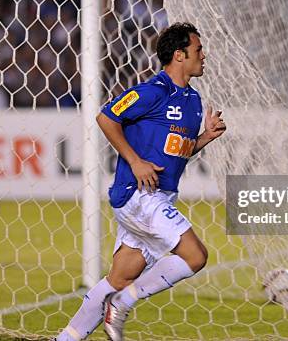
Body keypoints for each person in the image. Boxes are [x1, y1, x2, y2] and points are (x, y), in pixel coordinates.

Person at [55, 22, 226, 341]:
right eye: (198, 50)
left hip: (158, 199)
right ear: (179, 55)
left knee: (118, 278)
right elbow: (106, 116)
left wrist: (204, 138)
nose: (204, 55)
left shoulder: (192, 100)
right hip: (139, 196)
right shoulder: (152, 91)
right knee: (195, 256)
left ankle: (66, 338)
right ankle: (123, 304)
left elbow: (178, 151)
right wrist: (135, 162)